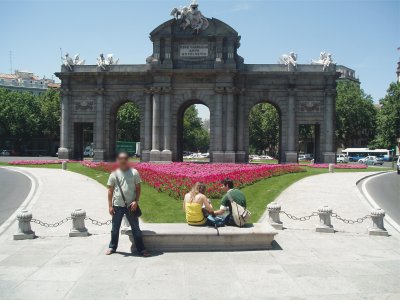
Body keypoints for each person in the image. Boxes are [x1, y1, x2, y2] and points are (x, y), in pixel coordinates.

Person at [105, 152, 150, 256]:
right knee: (115, 229)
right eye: (121, 159)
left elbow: (138, 188)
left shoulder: (134, 172)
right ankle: (112, 247)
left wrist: (136, 201)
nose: (123, 160)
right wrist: (110, 206)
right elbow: (110, 191)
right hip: (117, 205)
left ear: (127, 160)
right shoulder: (114, 174)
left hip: (131, 206)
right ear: (118, 160)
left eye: (125, 158)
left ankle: (141, 249)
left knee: (136, 228)